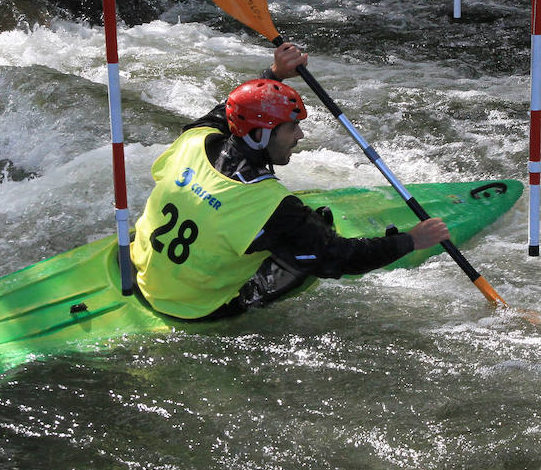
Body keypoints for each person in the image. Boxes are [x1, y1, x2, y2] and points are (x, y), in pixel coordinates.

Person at [131, 43, 450, 320]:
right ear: (260, 134)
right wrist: (410, 241)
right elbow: (338, 257)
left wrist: (274, 74)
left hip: (140, 270)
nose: (300, 136)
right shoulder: (271, 205)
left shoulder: (195, 139)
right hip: (198, 307)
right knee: (313, 238)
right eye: (291, 128)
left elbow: (230, 110)